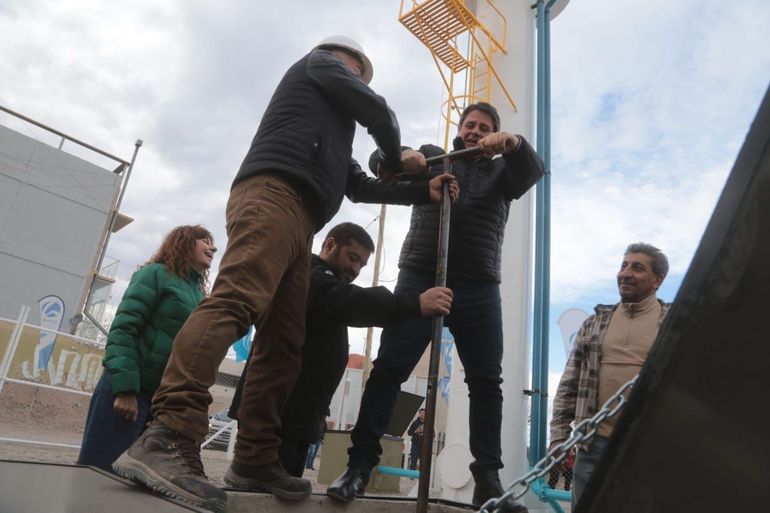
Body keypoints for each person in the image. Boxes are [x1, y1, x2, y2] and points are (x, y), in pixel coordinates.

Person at [113, 36, 458, 513]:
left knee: (283, 341)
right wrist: (397, 153)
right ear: (339, 62)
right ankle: (168, 434)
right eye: (356, 73)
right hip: (273, 193)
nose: (357, 82)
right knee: (236, 301)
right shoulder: (319, 64)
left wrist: (423, 192)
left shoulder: (331, 130)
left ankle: (255, 457)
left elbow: (356, 185)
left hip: (304, 216)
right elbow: (376, 110)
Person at [327, 102, 545, 513]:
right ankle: (358, 467)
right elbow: (383, 164)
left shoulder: (504, 170)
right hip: (421, 275)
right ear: (459, 130)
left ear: (494, 137)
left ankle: (487, 481)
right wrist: (400, 157)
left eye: (485, 128)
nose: (476, 131)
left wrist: (514, 143)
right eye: (470, 125)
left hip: (479, 285)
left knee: (485, 382)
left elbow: (532, 170)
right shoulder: (434, 156)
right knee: (390, 368)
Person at [227, 221, 454, 478]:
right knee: (260, 488)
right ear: (329, 244)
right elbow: (350, 301)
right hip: (278, 413)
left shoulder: (326, 283)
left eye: (361, 265)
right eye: (352, 258)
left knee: (282, 490)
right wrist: (414, 303)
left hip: (296, 414)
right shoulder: (310, 276)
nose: (355, 269)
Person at [77, 225, 216, 472]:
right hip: (129, 392)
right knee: (99, 473)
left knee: (134, 485)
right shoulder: (155, 274)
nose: (213, 247)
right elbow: (123, 330)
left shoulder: (199, 296)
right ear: (184, 242)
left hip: (161, 404)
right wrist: (125, 389)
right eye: (205, 241)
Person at [549, 243, 670, 508]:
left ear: (657, 280)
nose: (625, 273)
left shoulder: (672, 322)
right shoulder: (595, 323)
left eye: (637, 268)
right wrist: (558, 436)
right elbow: (569, 384)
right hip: (594, 447)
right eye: (624, 265)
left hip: (650, 448)